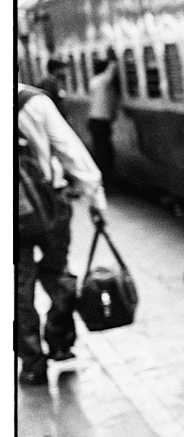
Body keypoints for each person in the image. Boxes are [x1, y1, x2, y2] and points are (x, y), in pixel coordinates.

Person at [16, 82, 108, 385]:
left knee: (18, 289)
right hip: (49, 206)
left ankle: (32, 363)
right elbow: (70, 151)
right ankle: (60, 341)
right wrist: (95, 199)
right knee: (58, 273)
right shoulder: (30, 100)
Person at [87, 54, 121, 180]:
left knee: (100, 151)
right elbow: (111, 71)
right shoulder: (102, 80)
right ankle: (106, 178)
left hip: (94, 121)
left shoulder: (94, 81)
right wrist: (113, 56)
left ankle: (104, 177)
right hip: (100, 122)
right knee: (105, 152)